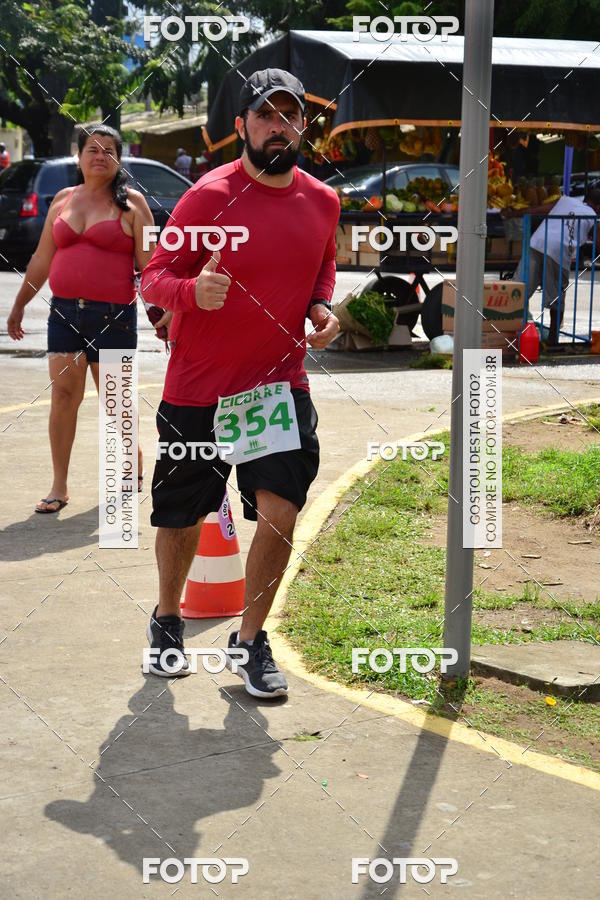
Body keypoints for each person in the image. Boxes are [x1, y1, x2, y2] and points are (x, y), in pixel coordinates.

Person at [141, 68, 340, 696]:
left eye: (290, 116)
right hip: (198, 388)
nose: (278, 127)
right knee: (179, 517)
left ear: (303, 125)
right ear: (241, 126)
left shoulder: (322, 201)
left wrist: (321, 308)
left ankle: (251, 641)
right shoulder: (207, 197)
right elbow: (153, 278)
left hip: (277, 386)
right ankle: (168, 619)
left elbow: (321, 268)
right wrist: (192, 292)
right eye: (265, 116)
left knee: (280, 511)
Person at [6, 125, 168, 512]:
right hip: (63, 314)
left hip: (114, 317)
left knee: (115, 403)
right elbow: (42, 259)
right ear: (79, 158)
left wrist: (165, 315)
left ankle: (132, 463)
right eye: (92, 150)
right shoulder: (62, 200)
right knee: (63, 398)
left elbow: (152, 266)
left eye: (109, 150)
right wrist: (19, 304)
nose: (100, 156)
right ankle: (59, 486)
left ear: (118, 159)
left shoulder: (133, 205)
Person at [506, 189, 600, 346]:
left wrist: (513, 213)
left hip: (536, 242)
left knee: (520, 290)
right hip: (558, 251)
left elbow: (536, 210)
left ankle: (510, 335)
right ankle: (552, 340)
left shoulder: (565, 200)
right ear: (598, 207)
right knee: (556, 298)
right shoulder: (593, 216)